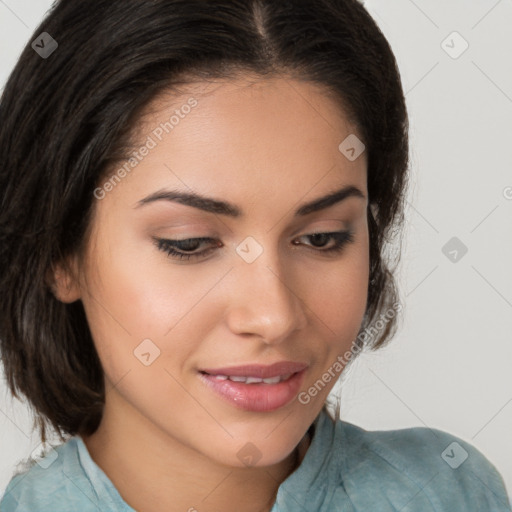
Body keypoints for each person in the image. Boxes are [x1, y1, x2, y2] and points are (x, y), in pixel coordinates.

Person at [0, 1, 510, 511]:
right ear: (59, 253)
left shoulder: (449, 493)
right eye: (190, 243)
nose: (274, 316)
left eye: (322, 238)